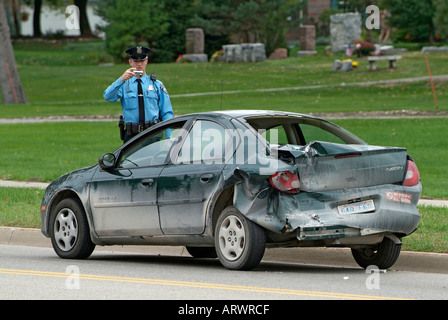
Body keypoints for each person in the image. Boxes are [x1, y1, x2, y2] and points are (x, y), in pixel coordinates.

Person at [104, 46, 174, 143]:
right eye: (136, 61)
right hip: (132, 136)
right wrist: (121, 80)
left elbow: (166, 112)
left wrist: (169, 138)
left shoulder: (156, 84)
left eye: (142, 60)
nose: (139, 64)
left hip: (153, 134)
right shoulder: (124, 84)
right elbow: (108, 97)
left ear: (146, 61)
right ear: (130, 62)